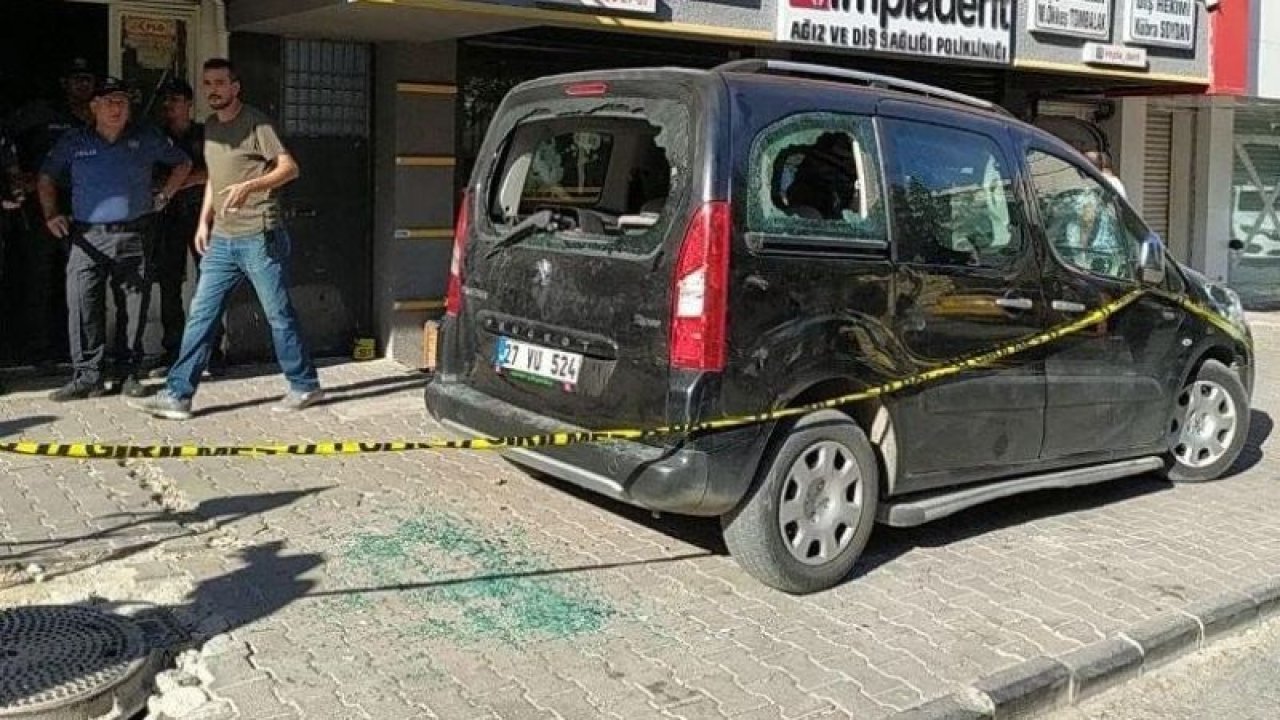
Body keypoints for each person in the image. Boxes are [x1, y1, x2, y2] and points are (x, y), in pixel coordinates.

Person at [132, 58, 323, 421]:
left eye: (220, 83)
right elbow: (215, 180)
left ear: (235, 87)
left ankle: (304, 385)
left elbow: (289, 168)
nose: (214, 89)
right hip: (222, 239)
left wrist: (251, 185)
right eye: (208, 83)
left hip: (259, 236)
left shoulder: (256, 123)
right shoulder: (211, 126)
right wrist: (204, 222)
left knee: (278, 315)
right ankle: (178, 396)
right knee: (201, 315)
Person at [37, 76, 192, 401]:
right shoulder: (74, 140)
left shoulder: (145, 137)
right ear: (94, 107)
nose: (117, 108)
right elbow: (47, 176)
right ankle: (87, 376)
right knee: (83, 304)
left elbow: (183, 163)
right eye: (109, 102)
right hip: (86, 237)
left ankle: (128, 373)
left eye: (122, 101)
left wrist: (164, 196)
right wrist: (51, 214)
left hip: (133, 234)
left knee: (133, 308)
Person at [148, 78, 227, 378]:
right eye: (166, 100)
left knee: (211, 283)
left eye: (176, 99)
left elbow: (218, 172)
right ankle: (173, 351)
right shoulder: (156, 136)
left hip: (201, 215)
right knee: (169, 284)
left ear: (189, 104)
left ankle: (213, 350)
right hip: (167, 217)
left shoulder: (206, 134)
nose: (169, 105)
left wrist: (180, 181)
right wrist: (183, 181)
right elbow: (152, 178)